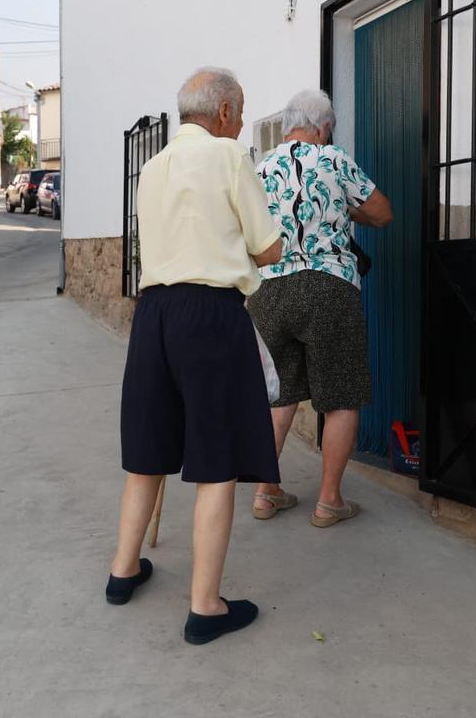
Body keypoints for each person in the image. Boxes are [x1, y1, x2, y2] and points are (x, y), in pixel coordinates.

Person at [106, 67, 283, 645]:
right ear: (227, 112)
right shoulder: (231, 160)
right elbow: (268, 246)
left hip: (154, 315)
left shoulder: (151, 168)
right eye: (240, 112)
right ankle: (205, 607)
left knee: (148, 449)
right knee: (217, 460)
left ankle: (123, 570)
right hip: (210, 314)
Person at [246, 89, 392, 526]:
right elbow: (382, 213)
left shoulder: (260, 167)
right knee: (341, 395)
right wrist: (349, 214)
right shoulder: (333, 159)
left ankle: (265, 491)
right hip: (328, 285)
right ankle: (329, 501)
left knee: (279, 394)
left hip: (269, 290)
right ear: (323, 126)